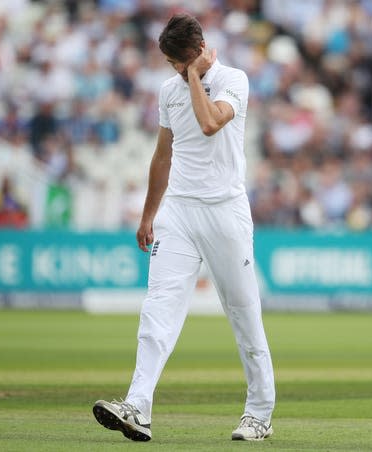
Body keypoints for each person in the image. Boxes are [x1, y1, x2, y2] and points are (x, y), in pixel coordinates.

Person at [92, 13, 276, 442]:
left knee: (244, 313)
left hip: (225, 210)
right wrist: (148, 213)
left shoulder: (235, 79)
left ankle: (259, 413)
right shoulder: (169, 91)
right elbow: (162, 155)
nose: (174, 69)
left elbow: (211, 123)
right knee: (158, 307)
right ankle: (137, 406)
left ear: (197, 49)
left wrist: (194, 76)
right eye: (171, 63)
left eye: (180, 60)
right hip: (178, 211)